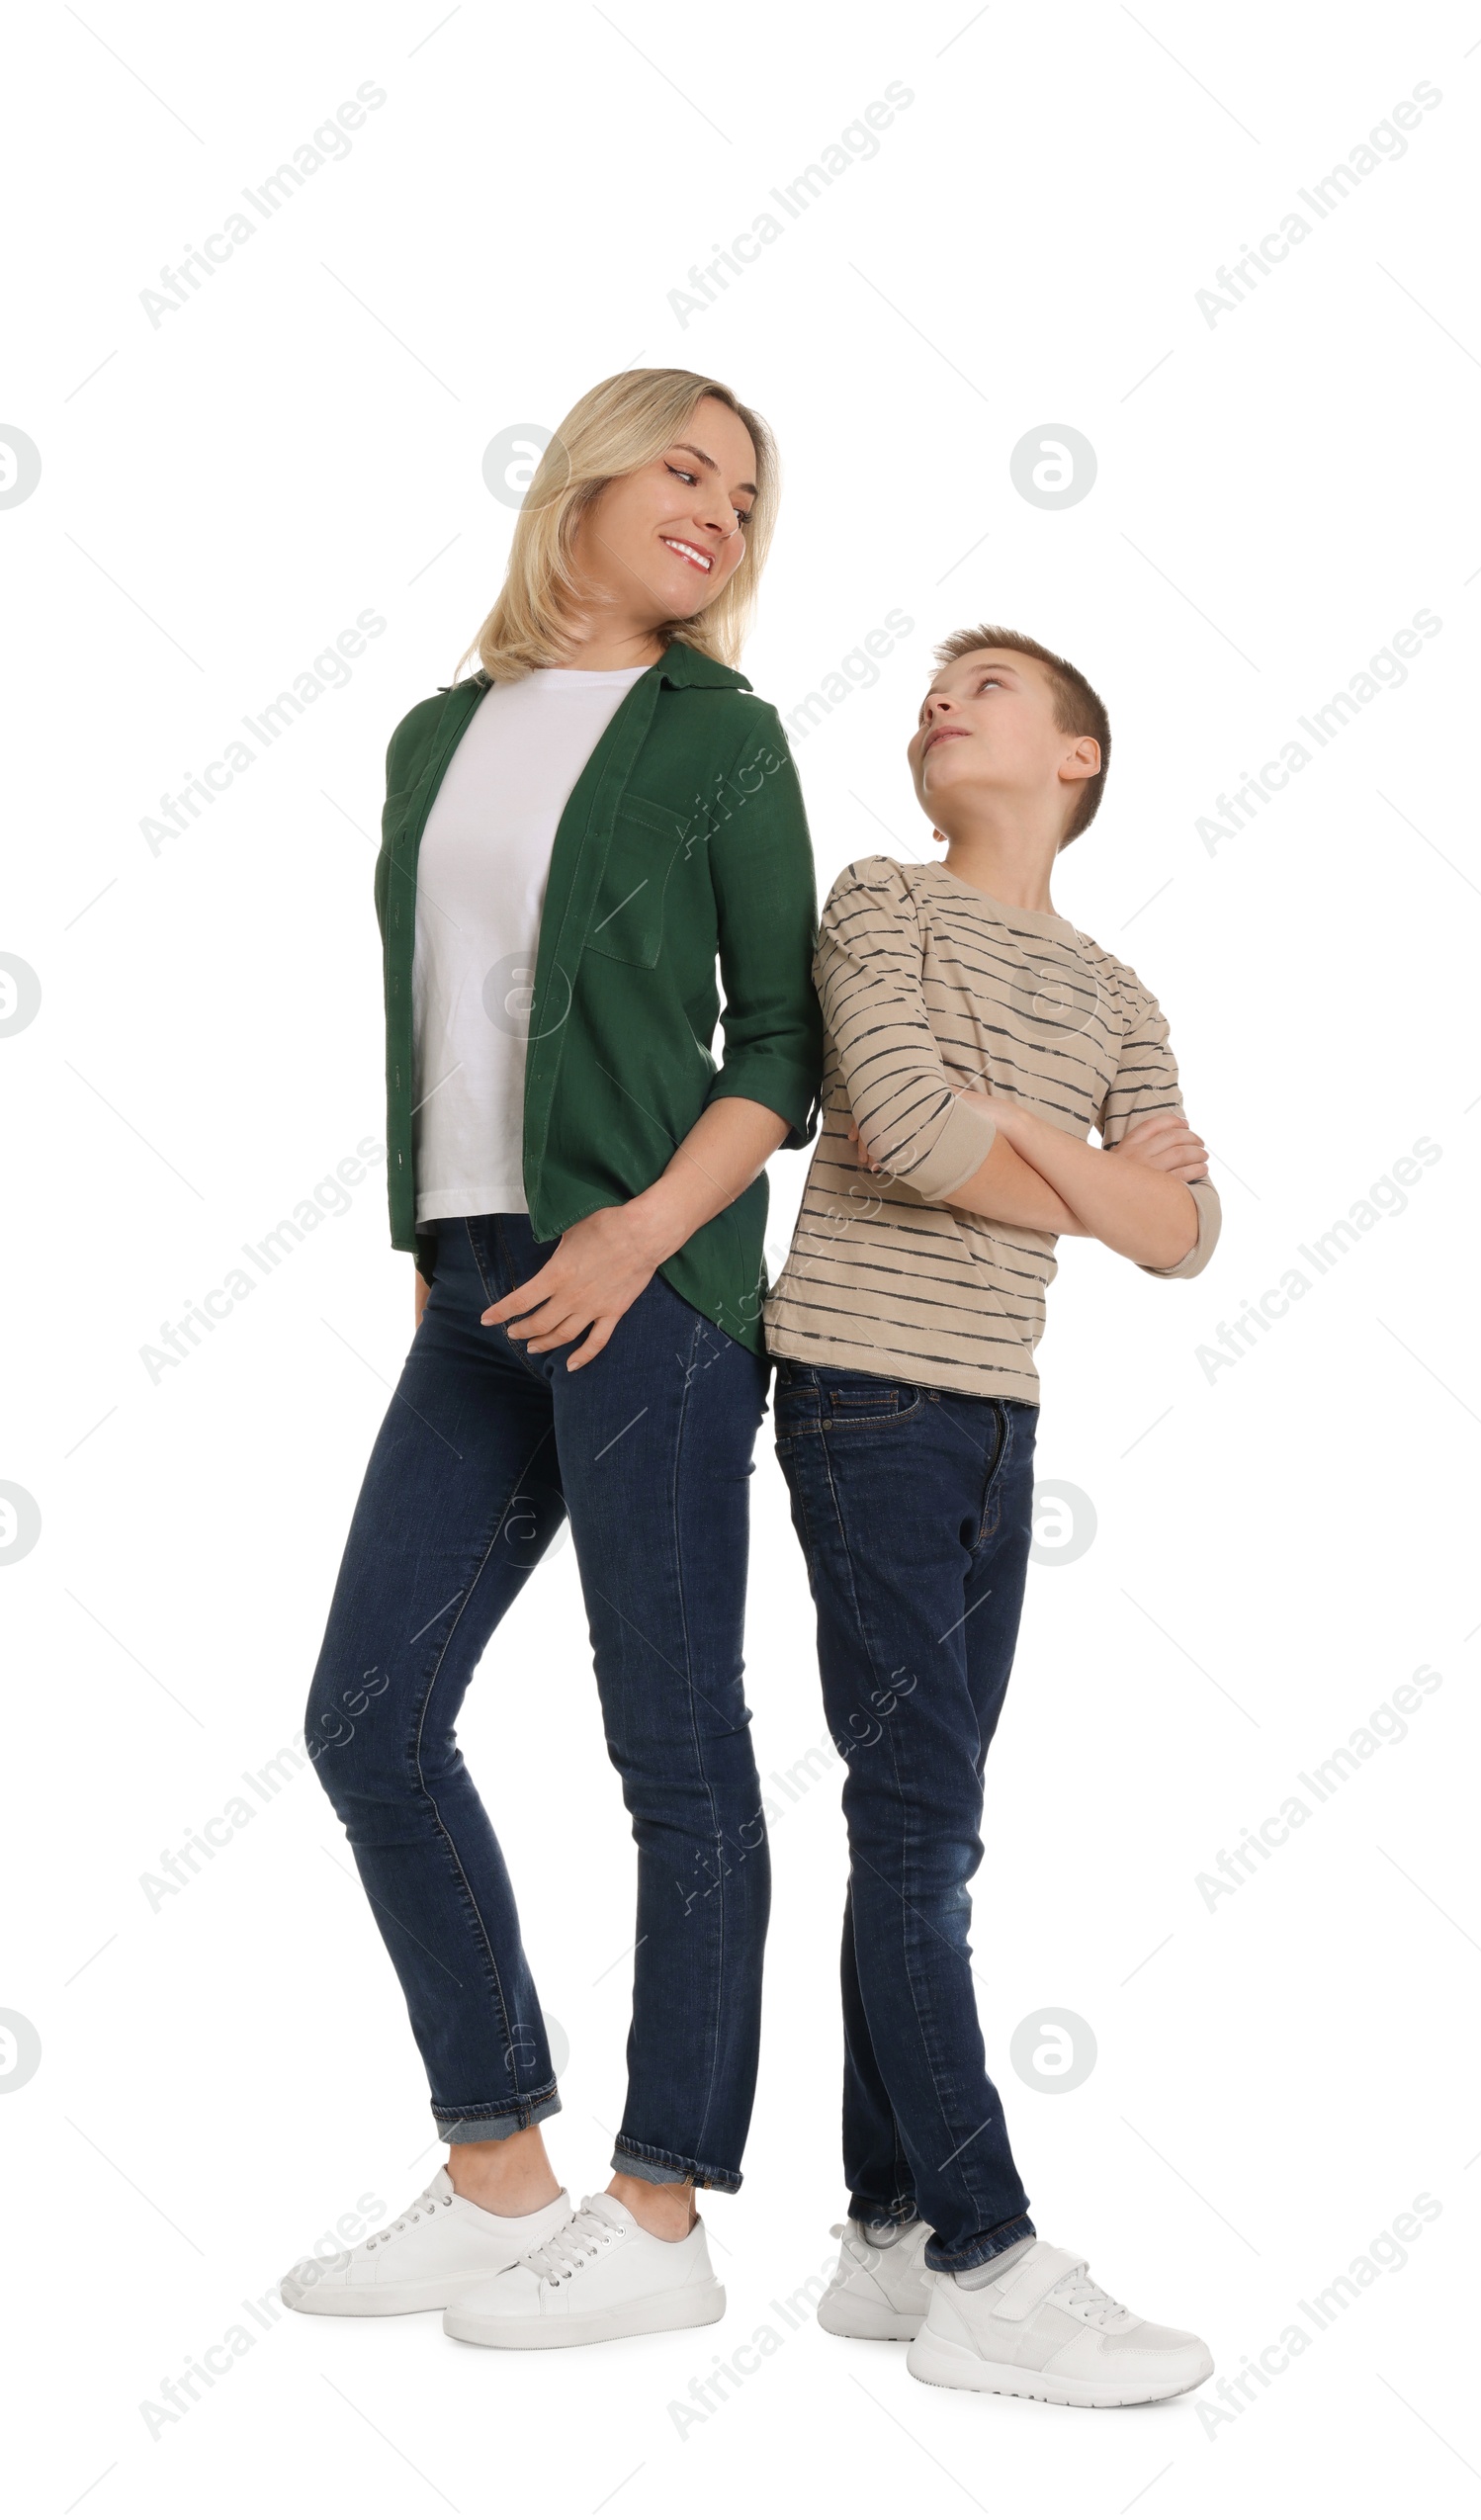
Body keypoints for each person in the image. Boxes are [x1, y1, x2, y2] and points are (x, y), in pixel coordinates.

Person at [281, 369, 823, 2351]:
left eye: (748, 500)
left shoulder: (721, 742)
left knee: (674, 1755)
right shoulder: (439, 733)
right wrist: (439, 1236)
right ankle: (499, 2169)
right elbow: (432, 1010)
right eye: (685, 470)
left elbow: (777, 1043)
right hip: (479, 1284)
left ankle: (661, 2217)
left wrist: (638, 1236)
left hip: (651, 1288)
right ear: (577, 482)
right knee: (368, 1716)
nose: (721, 514)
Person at [763, 625, 1222, 2406]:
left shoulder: (1118, 994)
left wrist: (1014, 1122)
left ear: (1076, 760)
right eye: (934, 689)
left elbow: (1187, 1240)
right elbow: (888, 1120)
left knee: (927, 1832)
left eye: (991, 688)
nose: (942, 700)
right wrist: (1083, 1179)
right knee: (918, 1820)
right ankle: (983, 2254)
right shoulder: (878, 901)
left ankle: (885, 2236)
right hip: (864, 1398)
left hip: (1001, 1425)